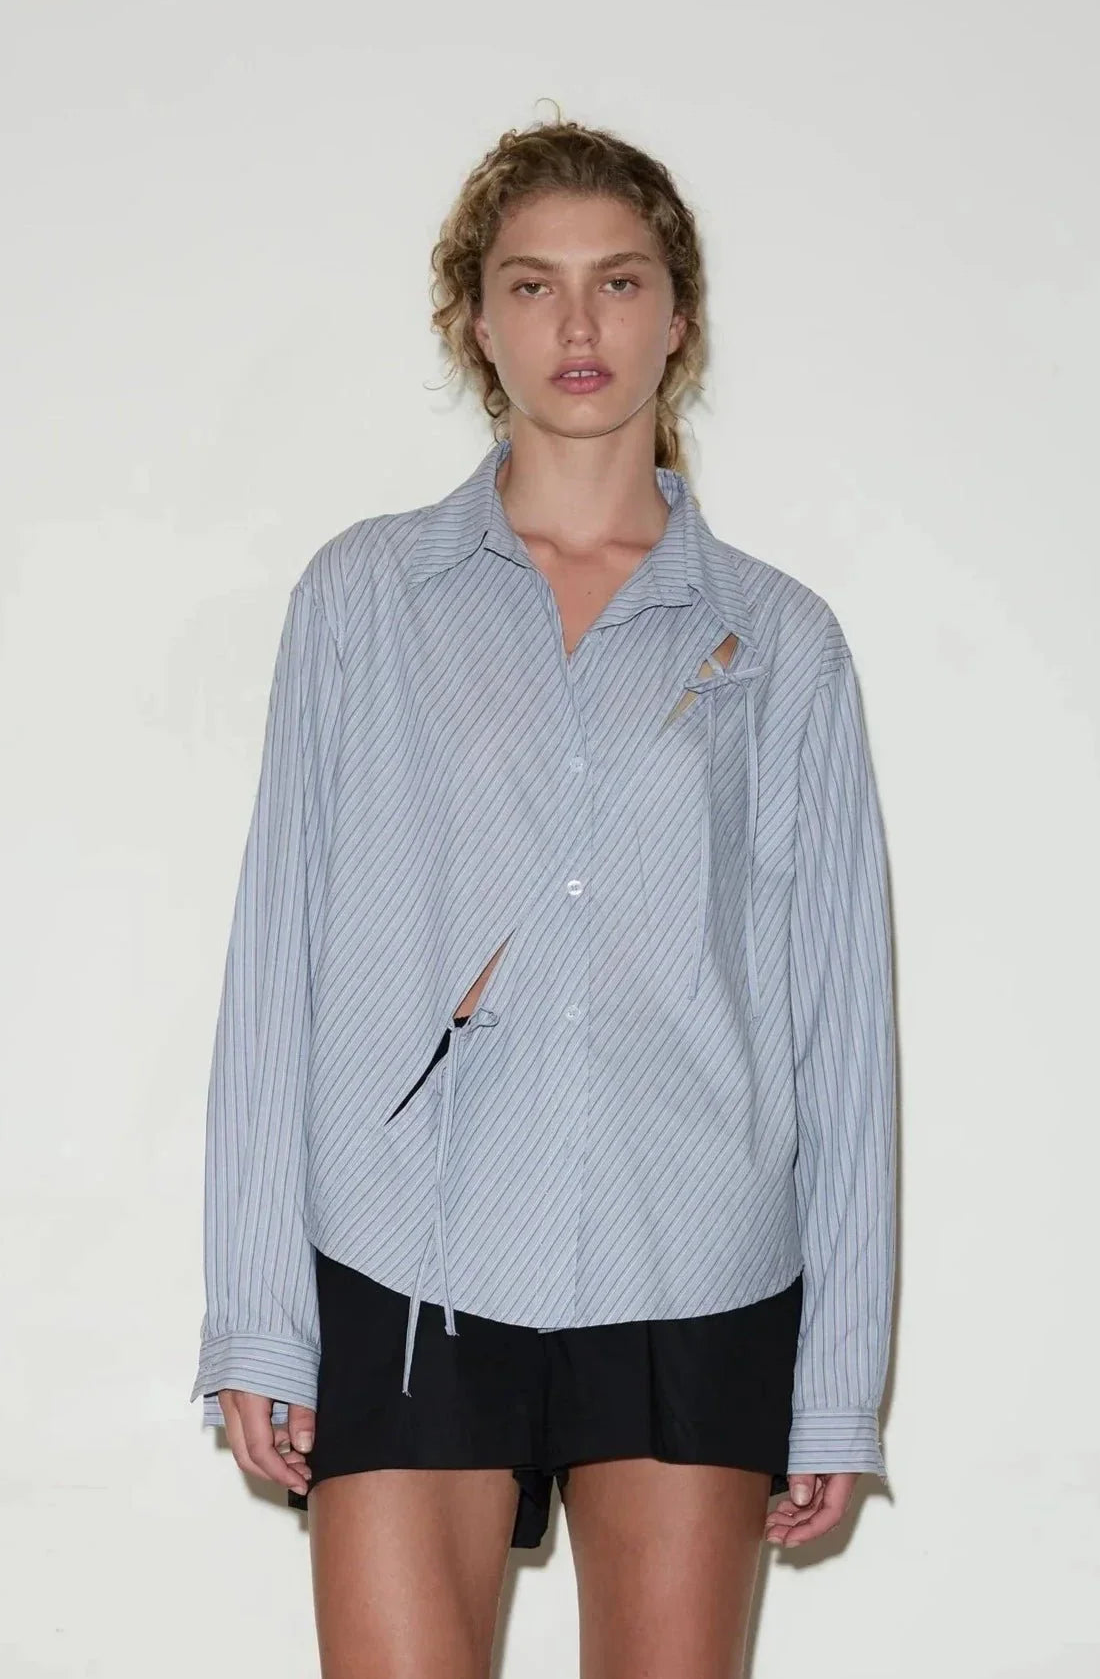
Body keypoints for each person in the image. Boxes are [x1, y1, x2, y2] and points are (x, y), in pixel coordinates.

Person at [190, 113, 897, 1678]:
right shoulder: (366, 599)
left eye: (619, 281)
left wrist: (837, 1377)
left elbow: (842, 1025)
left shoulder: (783, 645)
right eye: (532, 284)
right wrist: (258, 1310)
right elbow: (278, 960)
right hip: (408, 1253)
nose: (579, 325)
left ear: (678, 316)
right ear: (476, 320)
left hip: (696, 1261)